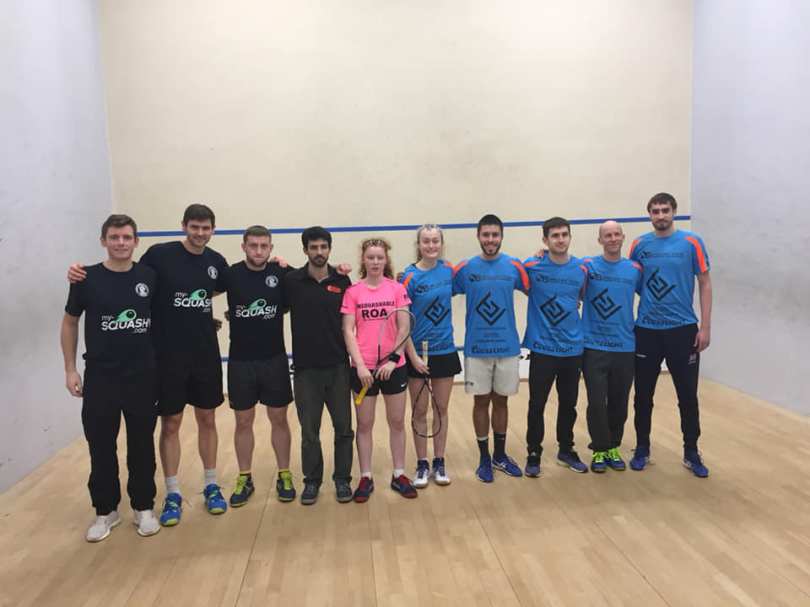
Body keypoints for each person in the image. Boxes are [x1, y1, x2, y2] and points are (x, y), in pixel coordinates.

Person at [69, 204, 230, 524]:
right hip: (166, 357)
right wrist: (79, 273)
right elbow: (127, 280)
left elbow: (222, 286)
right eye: (194, 227)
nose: (200, 233)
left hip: (204, 355)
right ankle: (172, 492)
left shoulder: (216, 261)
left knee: (207, 418)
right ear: (183, 226)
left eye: (205, 228)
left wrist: (277, 264)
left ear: (213, 230)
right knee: (170, 423)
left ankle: (212, 486)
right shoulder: (159, 255)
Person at [61, 214, 160, 541]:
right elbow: (70, 322)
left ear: (136, 241)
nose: (121, 243)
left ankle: (143, 507)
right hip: (101, 378)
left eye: (127, 237)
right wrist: (70, 369)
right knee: (101, 446)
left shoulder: (150, 276)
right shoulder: (85, 278)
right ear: (103, 240)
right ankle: (106, 512)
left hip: (142, 377)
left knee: (141, 445)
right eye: (114, 237)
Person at [628, 192, 713, 477]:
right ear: (649, 214)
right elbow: (631, 280)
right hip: (647, 331)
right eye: (655, 211)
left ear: (674, 211)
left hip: (683, 331)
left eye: (665, 210)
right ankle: (642, 449)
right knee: (643, 395)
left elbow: (705, 282)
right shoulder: (639, 245)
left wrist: (705, 326)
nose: (660, 215)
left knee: (687, 395)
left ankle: (691, 451)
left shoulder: (692, 242)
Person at [453, 214, 529, 483]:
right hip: (476, 349)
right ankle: (484, 457)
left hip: (507, 347)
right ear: (478, 236)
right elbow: (437, 287)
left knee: (501, 401)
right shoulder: (465, 268)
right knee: (481, 401)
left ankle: (500, 455)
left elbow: (539, 286)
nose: (490, 240)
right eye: (486, 235)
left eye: (495, 235)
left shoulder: (514, 266)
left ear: (501, 236)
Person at [222, 226, 294, 506]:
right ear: (243, 247)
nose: (259, 251)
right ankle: (245, 477)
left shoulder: (281, 273)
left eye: (264, 246)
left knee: (279, 419)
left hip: (274, 360)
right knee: (243, 421)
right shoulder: (231, 274)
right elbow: (199, 294)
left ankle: (284, 474)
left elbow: (311, 279)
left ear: (271, 248)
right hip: (240, 362)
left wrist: (341, 269)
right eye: (253, 245)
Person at [284, 226, 355, 505]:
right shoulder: (292, 281)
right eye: (313, 247)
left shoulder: (342, 280)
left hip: (338, 368)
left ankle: (342, 479)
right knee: (309, 432)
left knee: (344, 429)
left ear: (329, 249)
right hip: (305, 371)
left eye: (323, 247)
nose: (318, 252)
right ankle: (312, 481)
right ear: (305, 250)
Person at [342, 238, 417, 501]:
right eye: (370, 257)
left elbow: (404, 327)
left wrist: (393, 360)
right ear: (363, 260)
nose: (375, 262)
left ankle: (399, 474)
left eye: (379, 257)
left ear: (386, 260)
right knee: (364, 424)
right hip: (363, 371)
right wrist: (361, 366)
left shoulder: (396, 289)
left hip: (394, 368)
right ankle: (365, 477)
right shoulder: (353, 292)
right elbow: (348, 331)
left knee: (396, 422)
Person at [522, 217, 589, 476]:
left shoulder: (582, 269)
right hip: (542, 349)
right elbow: (520, 282)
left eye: (564, 235)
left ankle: (566, 450)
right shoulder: (532, 266)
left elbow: (582, 296)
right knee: (537, 404)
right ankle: (533, 452)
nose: (560, 240)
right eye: (555, 236)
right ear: (545, 240)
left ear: (570, 237)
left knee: (568, 404)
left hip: (573, 349)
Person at [400, 224, 461, 487]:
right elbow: (402, 322)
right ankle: (422, 464)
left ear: (441, 244)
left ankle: (439, 461)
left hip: (445, 350)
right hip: (418, 354)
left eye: (435, 241)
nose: (431, 245)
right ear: (419, 245)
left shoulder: (449, 271)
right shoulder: (409, 277)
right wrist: (413, 357)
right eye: (426, 241)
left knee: (441, 409)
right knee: (420, 411)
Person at [580, 220, 642, 473]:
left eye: (617, 234)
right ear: (600, 240)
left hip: (625, 347)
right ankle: (599, 449)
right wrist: (541, 253)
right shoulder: (587, 266)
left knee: (619, 402)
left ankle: (613, 446)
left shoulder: (635, 269)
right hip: (593, 346)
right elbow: (561, 265)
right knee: (596, 402)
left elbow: (649, 296)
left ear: (623, 237)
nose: (613, 238)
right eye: (608, 235)